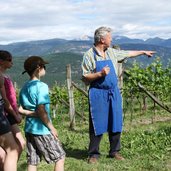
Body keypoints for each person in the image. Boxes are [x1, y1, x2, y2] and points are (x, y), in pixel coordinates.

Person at [81, 26, 155, 164]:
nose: (111, 39)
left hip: (113, 92)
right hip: (98, 93)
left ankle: (114, 151)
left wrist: (143, 52)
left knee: (115, 120)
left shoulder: (112, 53)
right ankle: (93, 154)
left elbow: (128, 53)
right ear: (102, 40)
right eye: (109, 37)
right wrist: (99, 74)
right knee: (97, 122)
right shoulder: (89, 55)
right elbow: (85, 77)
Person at [19, 56, 65, 171]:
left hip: (29, 128)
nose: (45, 68)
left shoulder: (24, 87)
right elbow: (41, 110)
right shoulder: (41, 86)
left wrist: (28, 113)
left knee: (33, 160)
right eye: (44, 66)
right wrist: (52, 128)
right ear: (38, 68)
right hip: (42, 129)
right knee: (60, 156)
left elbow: (20, 109)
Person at [0, 50, 25, 170]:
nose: (12, 62)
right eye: (9, 60)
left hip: (7, 113)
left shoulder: (5, 76)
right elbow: (5, 100)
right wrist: (15, 115)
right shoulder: (1, 76)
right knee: (13, 149)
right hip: (5, 114)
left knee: (16, 147)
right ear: (1, 61)